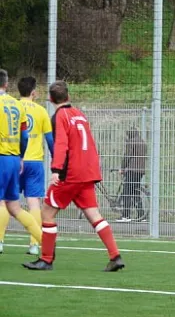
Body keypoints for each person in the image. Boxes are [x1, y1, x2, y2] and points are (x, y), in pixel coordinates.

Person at [23, 80, 124, 271]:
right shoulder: (79, 114)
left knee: (47, 212)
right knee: (93, 214)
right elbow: (89, 144)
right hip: (87, 172)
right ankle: (115, 256)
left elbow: (61, 144)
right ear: (68, 96)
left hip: (70, 174)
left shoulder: (59, 116)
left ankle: (46, 259)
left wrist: (56, 170)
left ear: (50, 99)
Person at [0, 77, 54, 256]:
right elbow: (46, 139)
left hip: (8, 157)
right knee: (30, 204)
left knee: (4, 203)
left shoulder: (14, 104)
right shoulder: (39, 110)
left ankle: (0, 241)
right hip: (29, 161)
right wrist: (57, 163)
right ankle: (37, 244)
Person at [116, 127, 147, 222]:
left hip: (131, 170)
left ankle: (126, 216)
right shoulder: (143, 143)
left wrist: (122, 168)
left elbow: (127, 156)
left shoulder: (131, 142)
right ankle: (141, 215)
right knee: (135, 192)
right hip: (140, 171)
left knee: (127, 193)